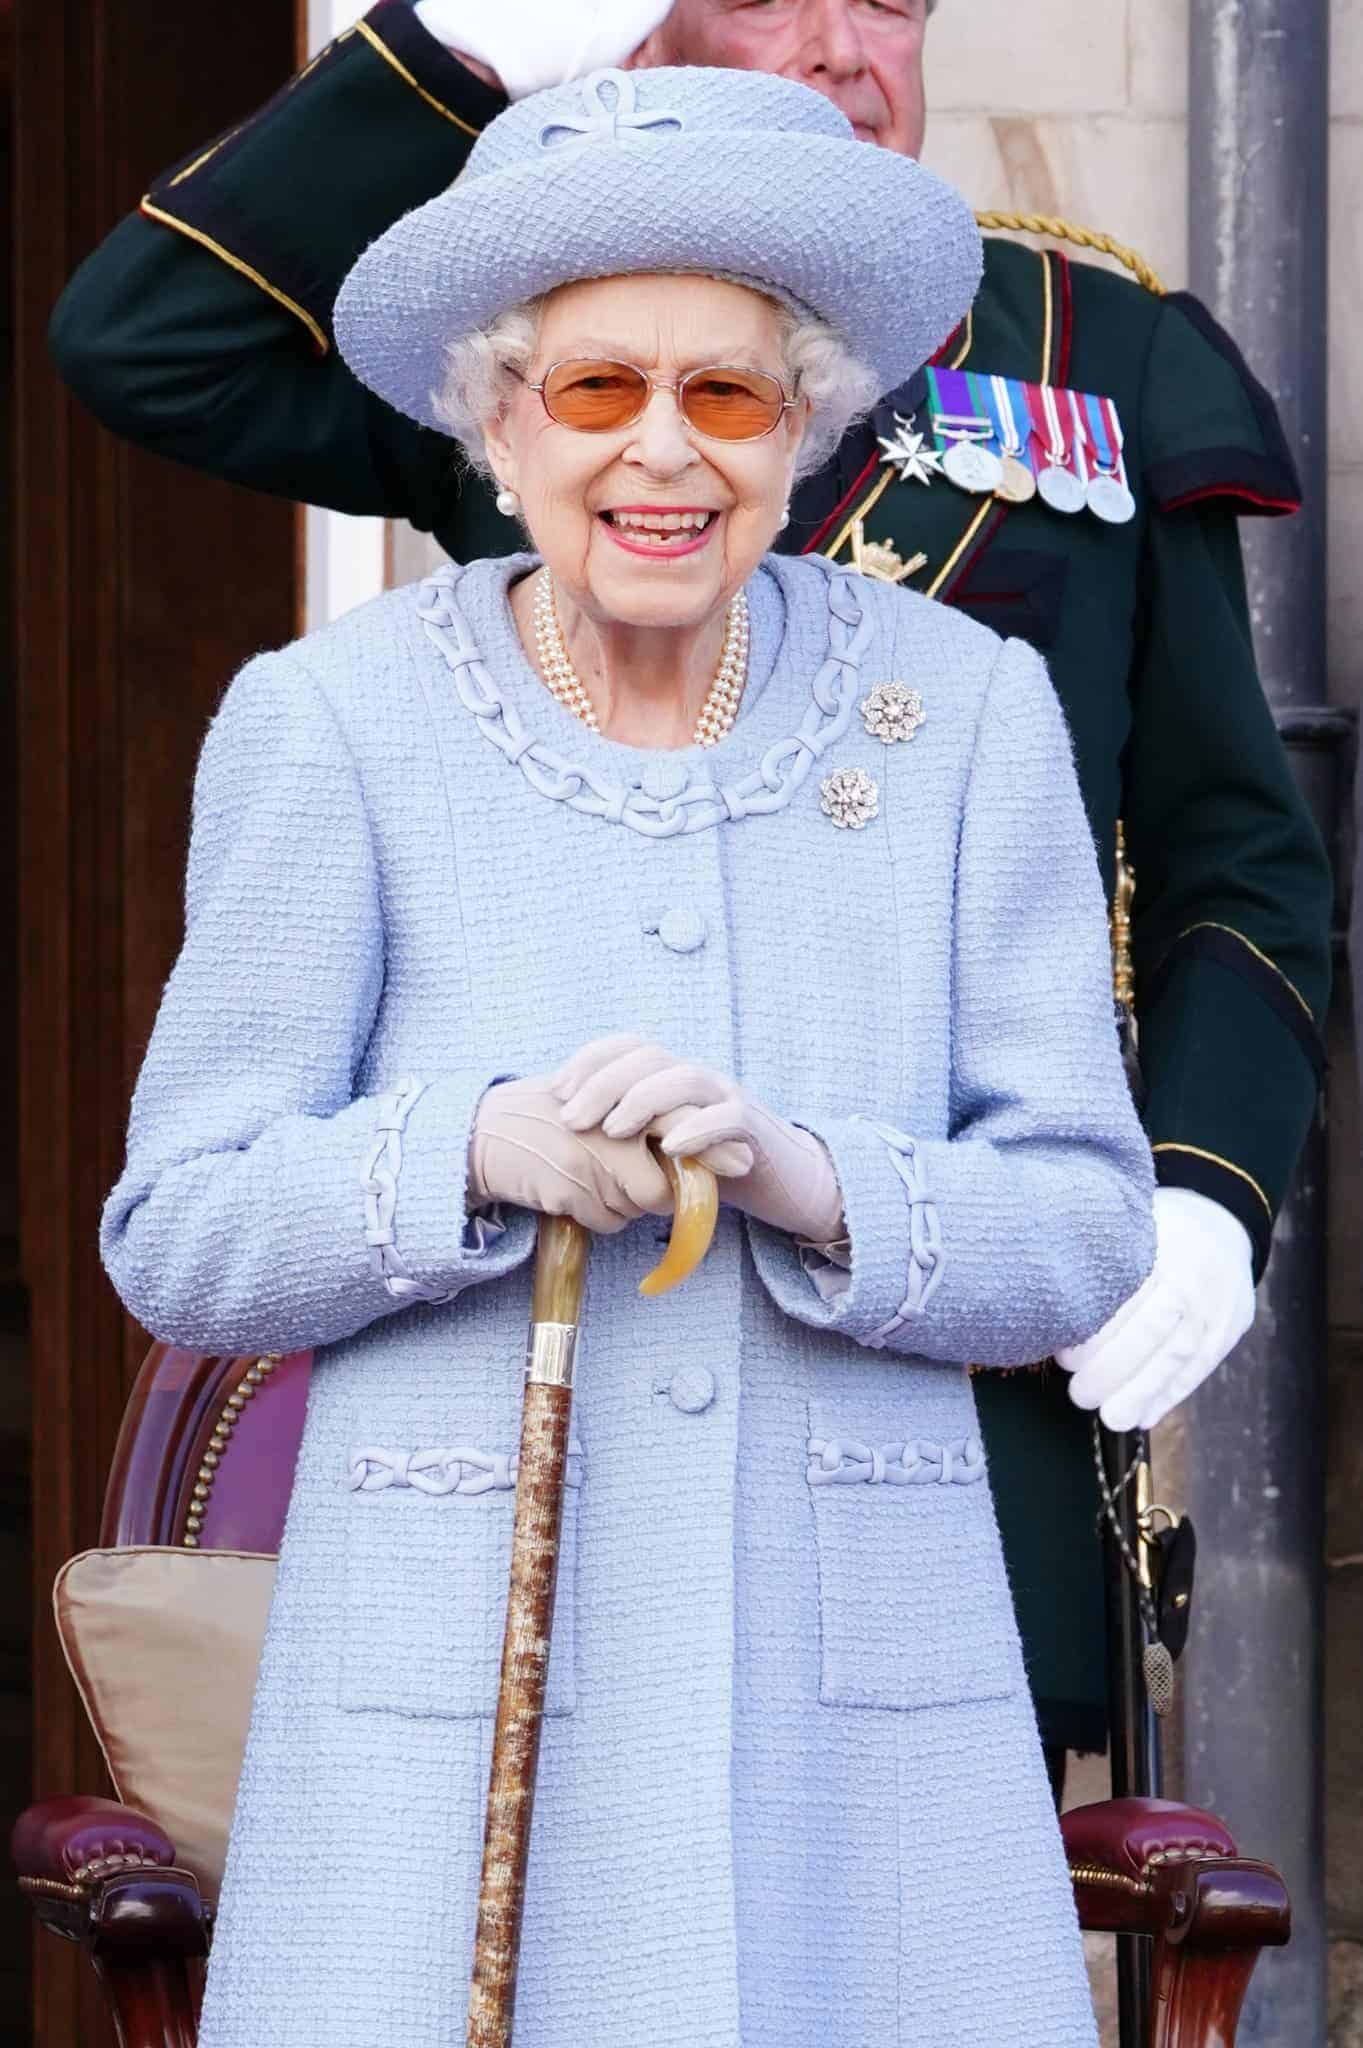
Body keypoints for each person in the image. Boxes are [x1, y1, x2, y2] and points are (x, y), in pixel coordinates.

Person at [57, 0, 1333, 1778]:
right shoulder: (534, 355)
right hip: (528, 1396)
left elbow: (1236, 859)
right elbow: (147, 339)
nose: (836, 40)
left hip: (946, 1391)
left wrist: (1201, 1186)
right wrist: (463, 53)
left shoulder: (1091, 354)